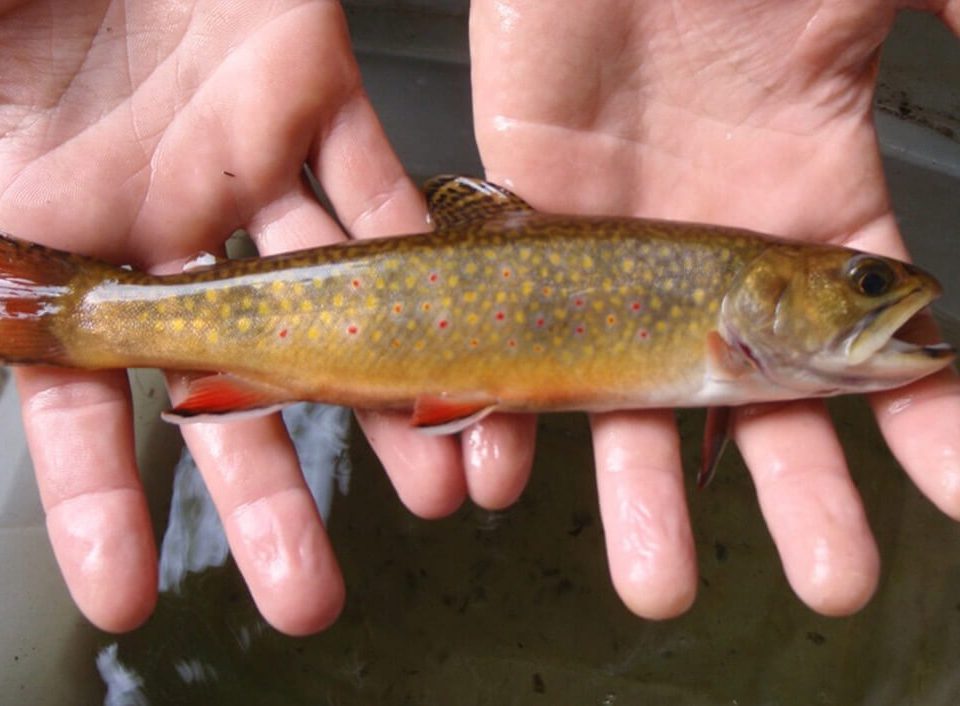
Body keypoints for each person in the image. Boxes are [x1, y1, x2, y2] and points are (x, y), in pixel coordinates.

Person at [0, 0, 957, 635]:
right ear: (769, 295)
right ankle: (84, 316)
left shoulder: (730, 310)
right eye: (867, 285)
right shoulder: (722, 300)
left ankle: (90, 317)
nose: (898, 292)